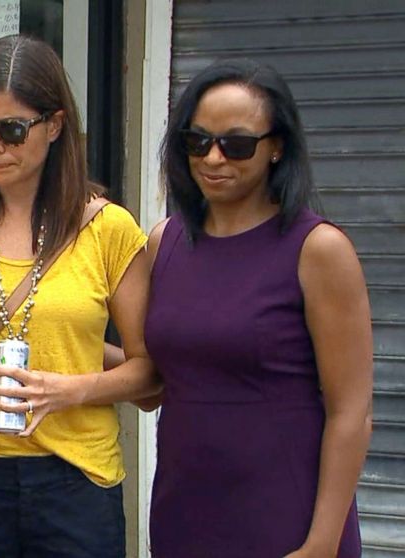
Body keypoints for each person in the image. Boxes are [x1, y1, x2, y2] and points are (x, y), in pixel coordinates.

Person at [0, 35, 159, 558]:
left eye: (12, 130)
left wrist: (71, 390)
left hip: (75, 480)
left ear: (56, 125)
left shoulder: (107, 229)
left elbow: (152, 374)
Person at [145, 58, 372, 557]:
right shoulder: (165, 242)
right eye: (197, 141)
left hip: (284, 515)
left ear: (277, 148)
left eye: (237, 143)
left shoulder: (318, 249)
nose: (213, 158)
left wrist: (321, 543)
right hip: (184, 511)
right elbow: (158, 378)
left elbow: (351, 412)